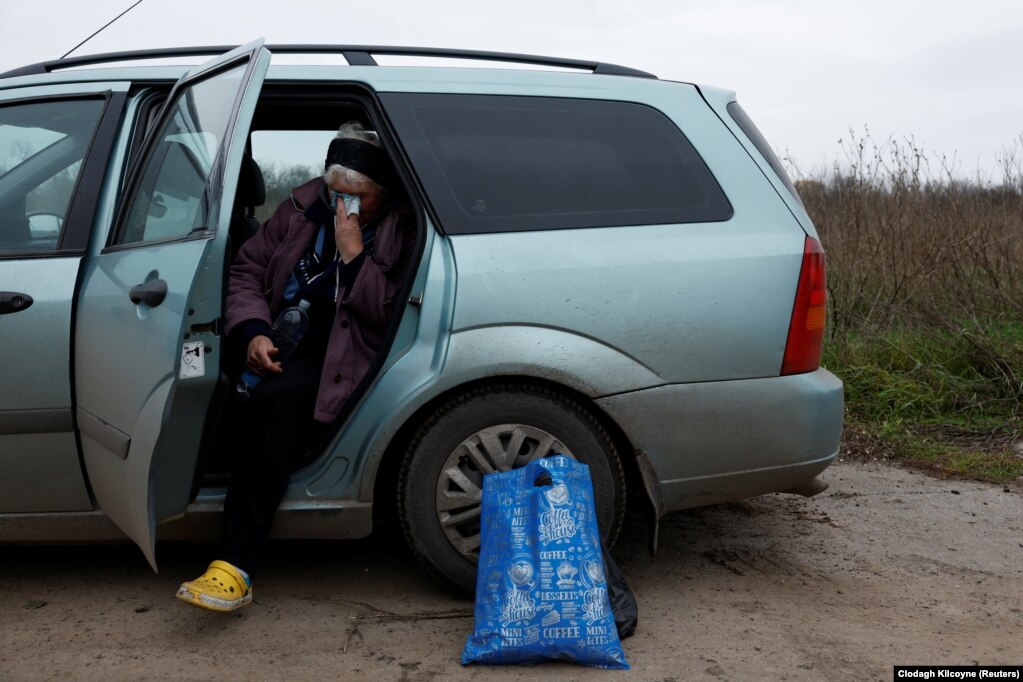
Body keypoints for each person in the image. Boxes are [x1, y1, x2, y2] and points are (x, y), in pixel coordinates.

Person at [176, 121, 412, 612]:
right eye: (336, 191)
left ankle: (236, 565)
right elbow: (245, 273)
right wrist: (252, 332)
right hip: (279, 335)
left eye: (357, 197)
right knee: (213, 394)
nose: (343, 205)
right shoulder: (300, 210)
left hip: (341, 353)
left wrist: (353, 256)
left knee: (274, 405)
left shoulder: (399, 229)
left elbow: (388, 314)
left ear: (383, 195)